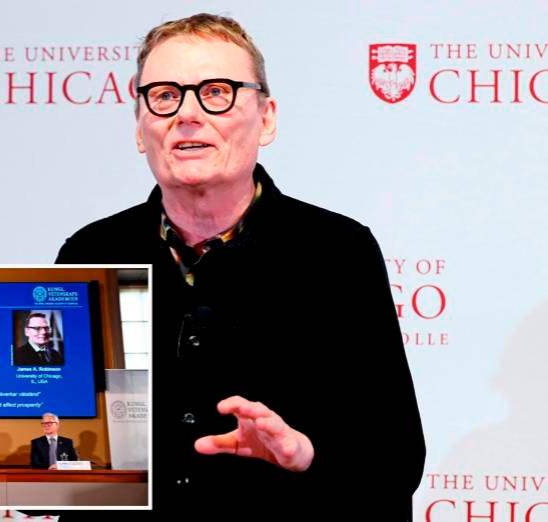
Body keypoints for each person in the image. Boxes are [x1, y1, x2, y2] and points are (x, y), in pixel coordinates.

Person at [56, 13, 425, 518]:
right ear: (140, 127)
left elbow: (394, 462)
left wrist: (305, 455)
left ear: (267, 117)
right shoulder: (91, 252)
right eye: (164, 95)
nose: (187, 114)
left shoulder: (338, 252)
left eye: (216, 92)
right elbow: (64, 461)